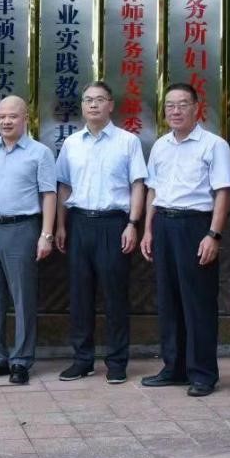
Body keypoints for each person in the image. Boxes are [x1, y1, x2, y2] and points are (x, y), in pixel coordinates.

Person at [139, 83, 230, 397]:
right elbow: (153, 190)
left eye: (182, 104)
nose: (175, 111)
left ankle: (203, 373)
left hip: (196, 225)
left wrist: (213, 234)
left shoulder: (214, 145)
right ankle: (174, 367)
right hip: (164, 224)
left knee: (198, 302)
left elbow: (223, 192)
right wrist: (148, 230)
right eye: (170, 105)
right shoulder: (161, 145)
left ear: (196, 108)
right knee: (169, 301)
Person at [56, 81, 147, 384]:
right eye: (87, 100)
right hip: (79, 223)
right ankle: (82, 360)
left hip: (114, 224)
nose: (93, 105)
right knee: (80, 296)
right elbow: (63, 186)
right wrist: (60, 225)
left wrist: (133, 223)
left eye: (99, 99)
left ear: (111, 105)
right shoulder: (71, 143)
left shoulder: (128, 142)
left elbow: (137, 184)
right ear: (82, 106)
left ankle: (117, 362)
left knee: (115, 296)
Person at [0, 95, 57, 385]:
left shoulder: (40, 153)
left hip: (23, 229)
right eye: (1, 116)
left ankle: (21, 361)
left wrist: (46, 234)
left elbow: (48, 194)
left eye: (13, 116)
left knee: (23, 299)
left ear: (26, 119)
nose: (6, 121)